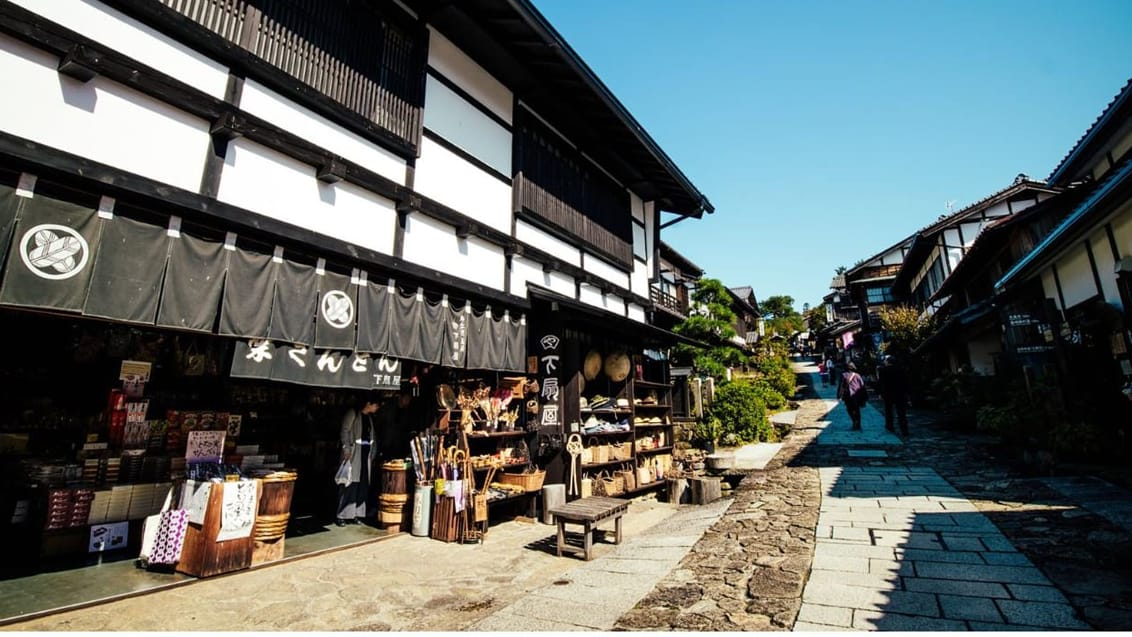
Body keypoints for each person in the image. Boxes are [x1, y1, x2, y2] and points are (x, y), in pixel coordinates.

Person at [337, 394, 379, 526]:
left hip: (365, 455)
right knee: (349, 483)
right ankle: (342, 514)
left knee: (362, 484)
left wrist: (373, 453)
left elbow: (373, 437)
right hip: (355, 453)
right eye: (375, 404)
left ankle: (357, 513)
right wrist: (347, 449)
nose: (377, 407)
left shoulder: (369, 418)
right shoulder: (353, 413)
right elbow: (345, 430)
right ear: (368, 403)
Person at [877, 354, 909, 435]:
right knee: (901, 412)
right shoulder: (901, 370)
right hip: (900, 393)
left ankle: (890, 427)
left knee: (889, 411)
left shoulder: (883, 370)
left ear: (887, 362)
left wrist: (880, 393)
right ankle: (904, 429)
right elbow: (905, 382)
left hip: (888, 394)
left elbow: (881, 383)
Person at [837, 361, 866, 431]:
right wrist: (864, 396)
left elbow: (841, 386)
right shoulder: (857, 375)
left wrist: (839, 395)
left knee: (849, 409)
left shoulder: (843, 375)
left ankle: (854, 421)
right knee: (857, 410)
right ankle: (858, 424)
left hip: (848, 396)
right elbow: (862, 386)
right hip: (857, 395)